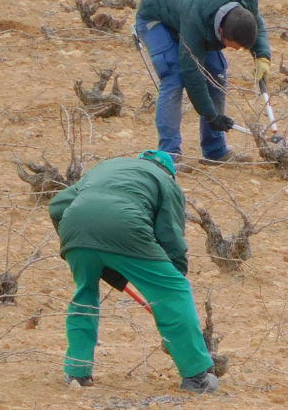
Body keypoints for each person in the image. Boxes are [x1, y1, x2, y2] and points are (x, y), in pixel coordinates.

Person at [48, 150, 220, 394]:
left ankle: (77, 371)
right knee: (174, 292)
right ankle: (196, 375)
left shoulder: (109, 165)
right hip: (125, 226)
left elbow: (57, 206)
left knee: (85, 295)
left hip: (74, 228)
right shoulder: (165, 182)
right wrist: (174, 275)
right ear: (170, 173)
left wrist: (73, 243)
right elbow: (171, 236)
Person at [134, 0, 273, 164]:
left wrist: (262, 56)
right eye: (235, 44)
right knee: (174, 78)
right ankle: (169, 156)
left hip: (187, 8)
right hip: (157, 17)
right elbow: (191, 72)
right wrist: (210, 115)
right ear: (222, 31)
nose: (237, 49)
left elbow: (255, 22)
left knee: (216, 74)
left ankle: (215, 152)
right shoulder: (197, 20)